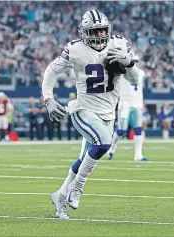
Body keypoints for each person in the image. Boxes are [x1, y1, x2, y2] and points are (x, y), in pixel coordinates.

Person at [42, 10, 140, 219]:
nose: (99, 35)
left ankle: (60, 196)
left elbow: (135, 81)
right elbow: (51, 70)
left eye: (102, 30)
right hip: (83, 109)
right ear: (85, 32)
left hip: (108, 114)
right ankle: (77, 188)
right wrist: (48, 99)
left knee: (85, 157)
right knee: (104, 143)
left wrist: (129, 63)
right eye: (94, 31)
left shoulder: (120, 45)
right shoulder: (75, 49)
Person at [108, 65, 148, 161]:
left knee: (138, 129)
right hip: (125, 103)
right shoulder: (121, 73)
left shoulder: (140, 73)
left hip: (137, 103)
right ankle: (112, 148)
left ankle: (138, 155)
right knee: (122, 130)